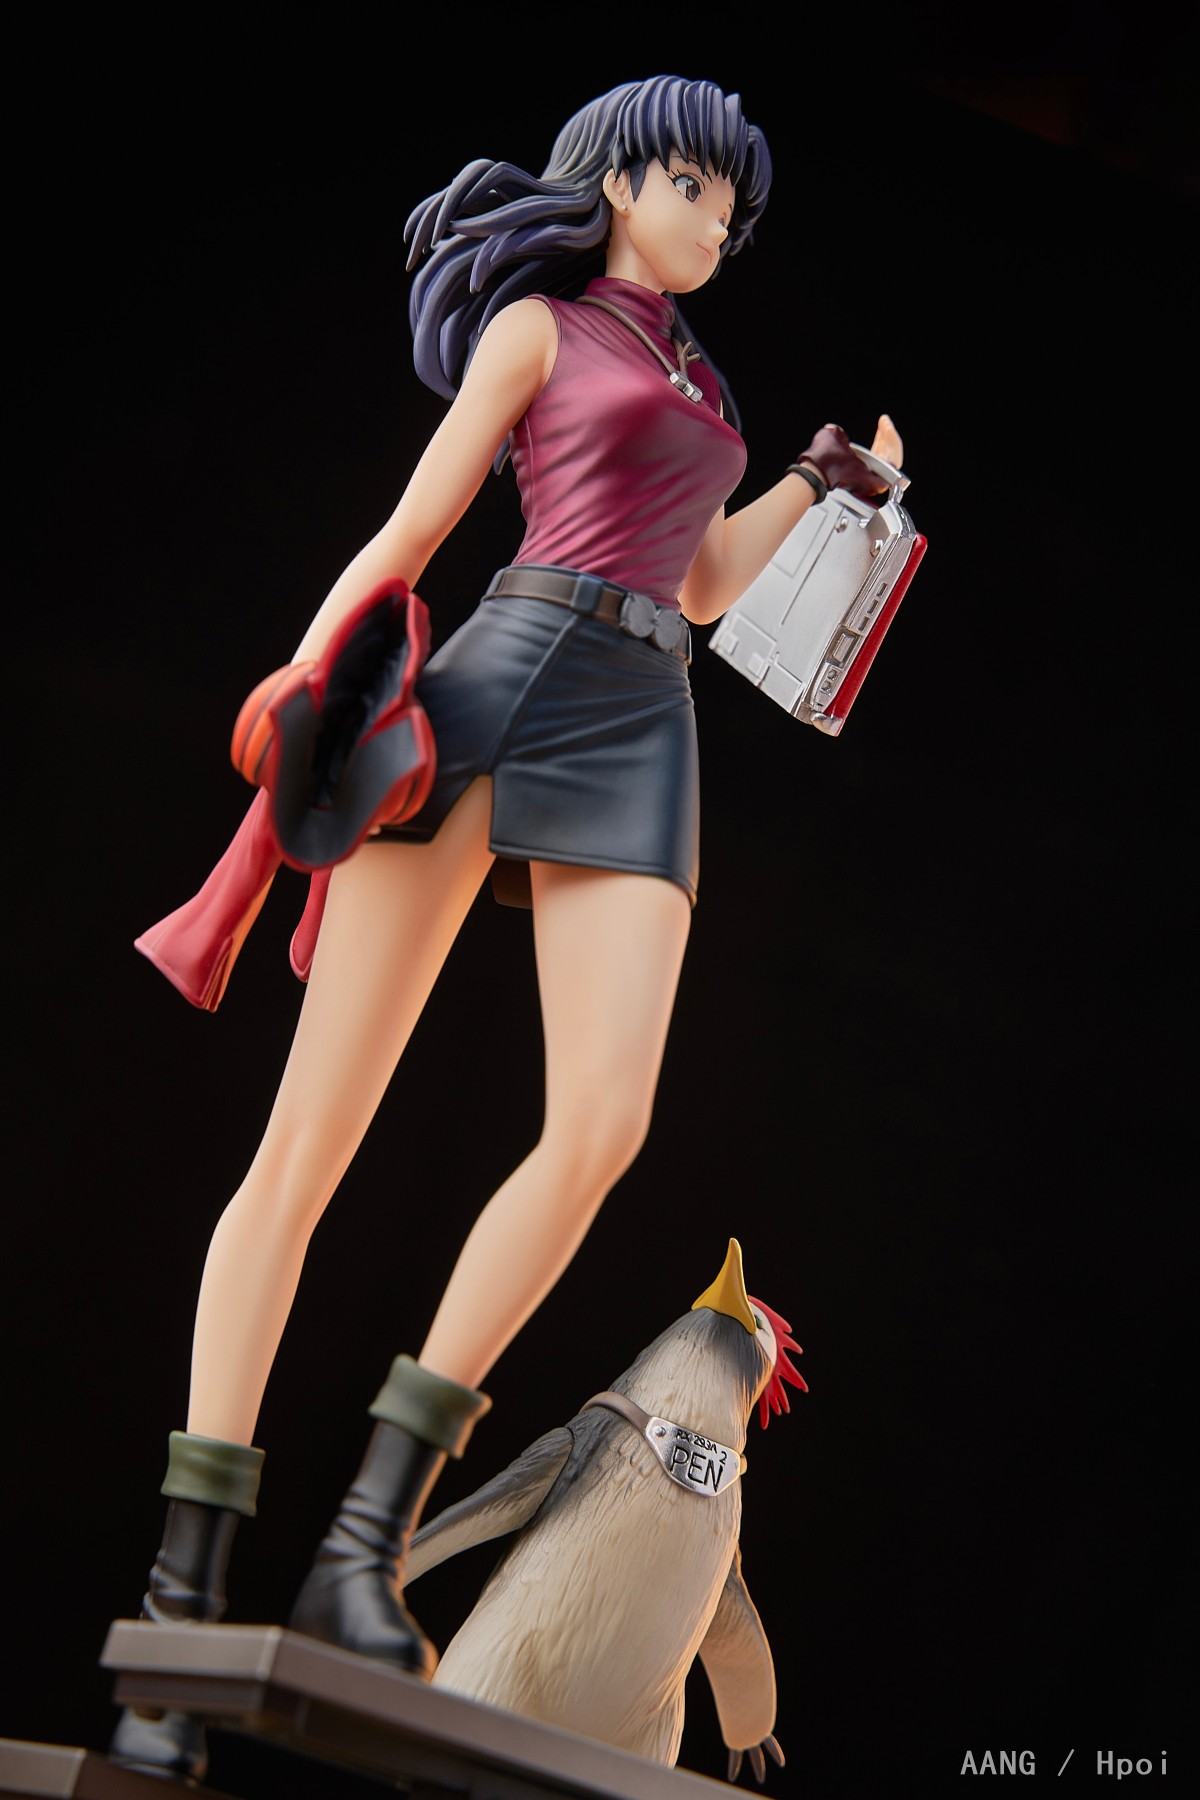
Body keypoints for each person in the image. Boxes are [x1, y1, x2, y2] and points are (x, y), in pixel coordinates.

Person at [111, 73, 902, 1777]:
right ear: (615, 177)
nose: (713, 225)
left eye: (733, 211)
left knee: (602, 1125)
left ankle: (364, 1534)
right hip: (509, 670)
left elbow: (705, 584)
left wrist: (818, 482)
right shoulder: (540, 330)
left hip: (645, 717)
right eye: (692, 187)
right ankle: (184, 1589)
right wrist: (312, 683)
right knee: (306, 1146)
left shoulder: (708, 382)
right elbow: (416, 526)